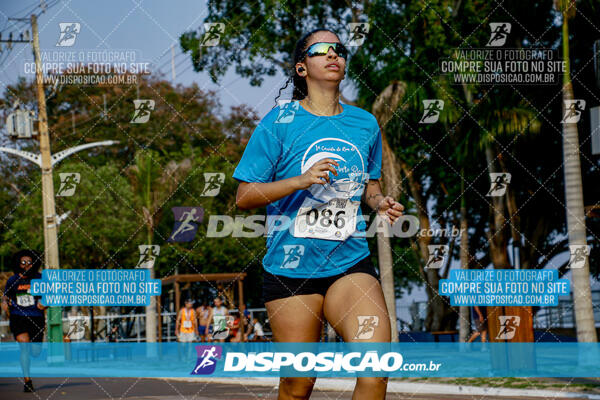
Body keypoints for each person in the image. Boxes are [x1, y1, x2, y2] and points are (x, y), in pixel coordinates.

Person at [233, 28, 404, 400]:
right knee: (298, 385)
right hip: (291, 269)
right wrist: (300, 180)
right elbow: (244, 196)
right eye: (321, 50)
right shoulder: (279, 123)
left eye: (339, 50)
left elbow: (368, 185)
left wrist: (378, 203)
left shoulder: (364, 124)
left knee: (376, 369)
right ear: (301, 67)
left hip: (349, 262)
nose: (333, 55)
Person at [1, 249, 48, 393]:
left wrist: (45, 303)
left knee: (35, 351)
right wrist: (5, 306)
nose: (27, 265)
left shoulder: (40, 278)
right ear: (18, 264)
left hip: (36, 318)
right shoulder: (12, 280)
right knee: (24, 346)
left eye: (29, 262)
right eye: (23, 262)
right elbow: (5, 298)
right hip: (18, 317)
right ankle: (27, 380)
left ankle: (34, 356)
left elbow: (50, 295)